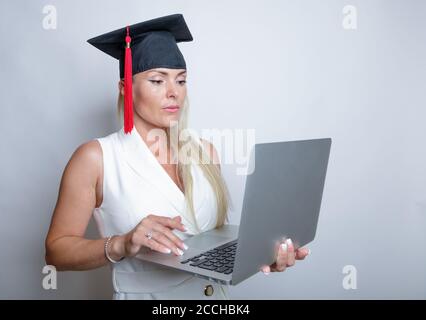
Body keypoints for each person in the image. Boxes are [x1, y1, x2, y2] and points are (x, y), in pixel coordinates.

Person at [45, 14, 310, 300]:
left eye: (181, 81)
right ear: (126, 88)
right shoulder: (97, 158)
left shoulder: (205, 152)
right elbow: (57, 251)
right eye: (157, 80)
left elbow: (210, 242)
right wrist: (122, 244)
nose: (174, 93)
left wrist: (261, 255)